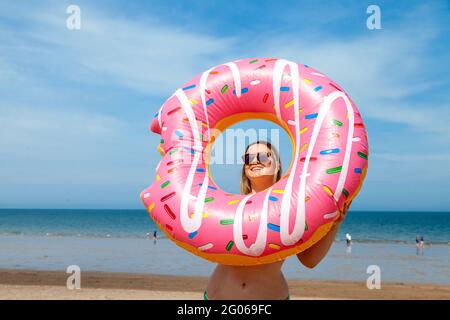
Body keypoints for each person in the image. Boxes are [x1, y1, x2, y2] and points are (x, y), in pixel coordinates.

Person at [204, 140, 346, 300]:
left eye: (263, 156)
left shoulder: (290, 208)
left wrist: (335, 223)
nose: (255, 161)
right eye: (248, 158)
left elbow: (309, 260)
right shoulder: (228, 209)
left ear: (277, 165)